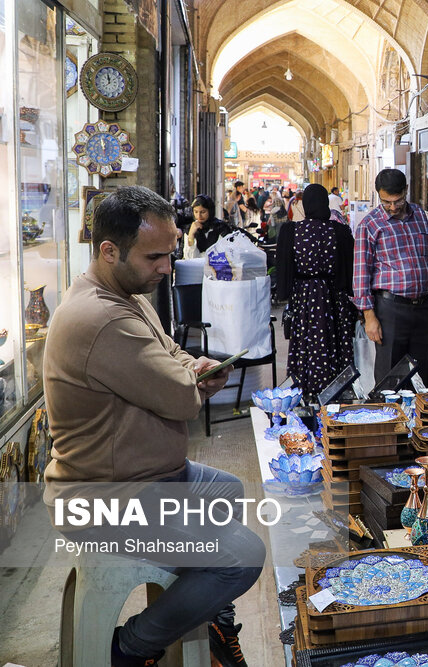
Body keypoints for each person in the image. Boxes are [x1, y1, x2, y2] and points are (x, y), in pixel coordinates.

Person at [42, 186, 262, 667]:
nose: (168, 266)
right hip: (107, 499)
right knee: (242, 554)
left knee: (225, 490)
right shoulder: (102, 317)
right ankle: (132, 647)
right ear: (109, 250)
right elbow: (179, 397)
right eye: (156, 256)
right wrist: (193, 381)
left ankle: (211, 621)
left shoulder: (125, 294)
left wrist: (195, 365)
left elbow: (171, 356)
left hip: (146, 480)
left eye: (170, 252)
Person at [353, 168, 428, 387]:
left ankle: (420, 418)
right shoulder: (369, 225)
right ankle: (391, 418)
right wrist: (369, 317)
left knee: (422, 372)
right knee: (389, 377)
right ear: (378, 195)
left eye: (397, 201)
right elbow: (360, 275)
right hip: (390, 310)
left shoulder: (420, 215)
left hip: (422, 308)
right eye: (386, 202)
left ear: (406, 191)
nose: (392, 207)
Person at [276, 183, 357, 397]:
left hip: (304, 296)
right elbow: (349, 269)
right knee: (335, 340)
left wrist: (286, 295)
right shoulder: (339, 231)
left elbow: (284, 269)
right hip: (333, 296)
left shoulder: (292, 231)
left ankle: (305, 388)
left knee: (306, 341)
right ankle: (335, 389)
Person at [182, 194, 235, 260]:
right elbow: (189, 259)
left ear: (210, 211)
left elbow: (224, 255)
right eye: (196, 212)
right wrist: (191, 235)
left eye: (203, 212)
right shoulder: (190, 229)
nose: (199, 216)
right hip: (196, 269)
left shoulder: (221, 228)